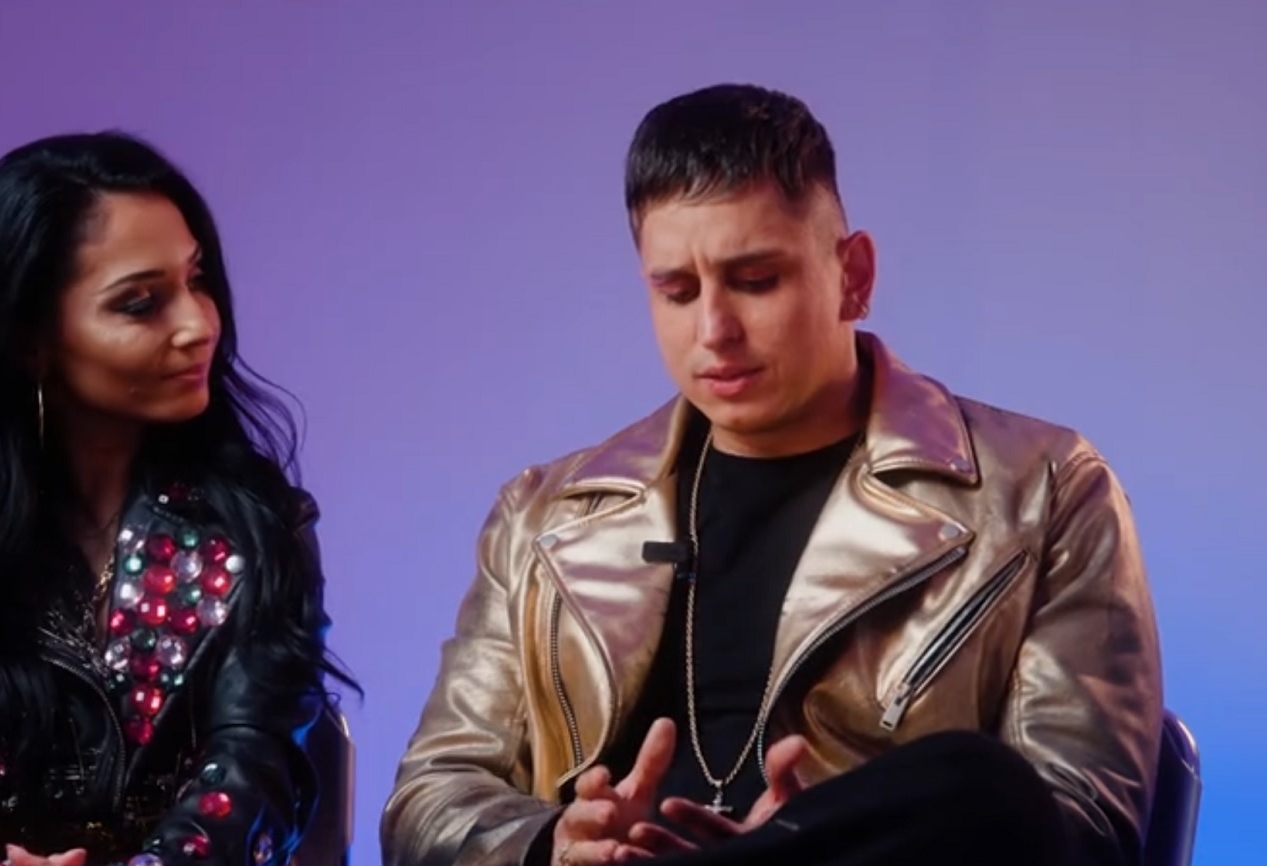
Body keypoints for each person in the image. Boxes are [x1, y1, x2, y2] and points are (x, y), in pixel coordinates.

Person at [380, 84, 1162, 866]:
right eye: (677, 292)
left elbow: (1080, 824)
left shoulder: (1045, 489)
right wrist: (554, 841)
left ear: (853, 275)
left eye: (756, 281)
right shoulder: (542, 517)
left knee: (983, 785)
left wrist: (811, 838)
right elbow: (430, 796)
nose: (713, 330)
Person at [0, 131, 356, 866]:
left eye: (198, 279)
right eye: (141, 303)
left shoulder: (262, 527)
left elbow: (256, 770)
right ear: (29, 340)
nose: (198, 324)